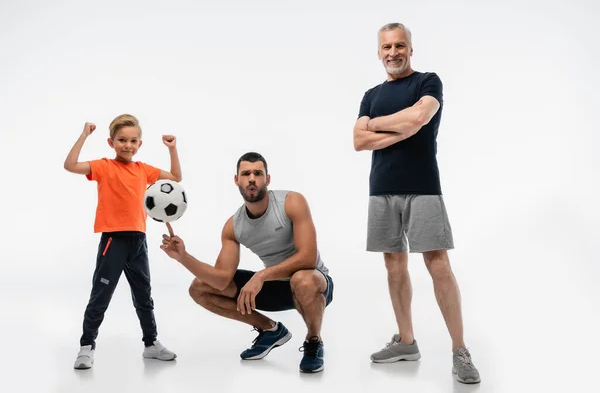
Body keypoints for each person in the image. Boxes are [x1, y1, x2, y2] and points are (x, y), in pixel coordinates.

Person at [352, 23, 481, 384]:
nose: (393, 52)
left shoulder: (428, 82)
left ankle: (460, 351)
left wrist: (377, 126)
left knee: (438, 265)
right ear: (378, 53)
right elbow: (358, 141)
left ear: (410, 49)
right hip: (381, 189)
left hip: (423, 187)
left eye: (400, 45)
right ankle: (406, 342)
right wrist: (397, 126)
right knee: (394, 266)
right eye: (386, 47)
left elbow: (419, 118)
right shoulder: (370, 94)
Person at [159, 152, 334, 373]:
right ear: (237, 180)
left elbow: (308, 257)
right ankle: (270, 330)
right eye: (246, 173)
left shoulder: (291, 202)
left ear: (267, 180)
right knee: (199, 288)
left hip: (315, 284)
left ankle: (313, 341)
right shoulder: (234, 226)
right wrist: (183, 257)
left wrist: (260, 276)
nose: (252, 178)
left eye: (258, 173)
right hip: (278, 288)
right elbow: (221, 280)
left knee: (303, 279)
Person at [63, 114, 182, 369]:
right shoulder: (104, 166)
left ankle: (151, 344)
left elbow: (175, 177)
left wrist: (172, 149)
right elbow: (70, 165)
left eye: (133, 141)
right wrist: (84, 134)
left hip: (138, 240)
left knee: (144, 295)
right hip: (113, 240)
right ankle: (86, 346)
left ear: (140, 144)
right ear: (111, 141)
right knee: (101, 295)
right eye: (122, 140)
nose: (127, 145)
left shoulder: (142, 170)